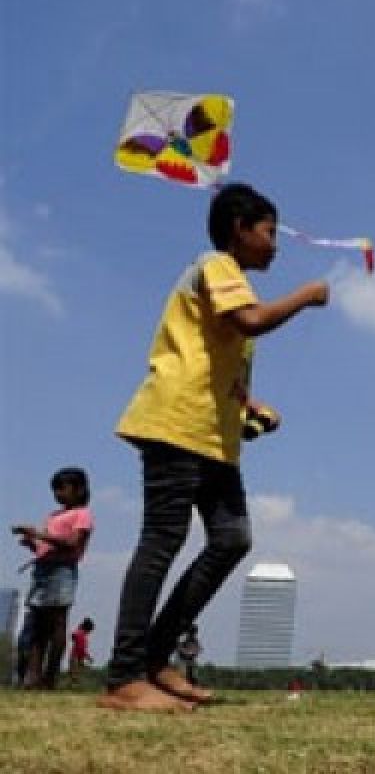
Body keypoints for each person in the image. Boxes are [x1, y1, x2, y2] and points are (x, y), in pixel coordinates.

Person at [100, 183, 329, 712]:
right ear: (239, 230)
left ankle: (156, 660)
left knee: (231, 538)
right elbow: (253, 320)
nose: (276, 244)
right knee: (162, 539)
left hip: (211, 436)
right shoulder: (218, 266)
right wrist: (307, 295)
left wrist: (251, 408)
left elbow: (220, 364)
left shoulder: (232, 283)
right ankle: (125, 675)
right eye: (270, 232)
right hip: (177, 423)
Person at [10, 467, 94, 689]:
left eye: (62, 489)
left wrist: (38, 534)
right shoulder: (53, 515)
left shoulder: (82, 514)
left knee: (57, 622)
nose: (58, 494)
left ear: (79, 490)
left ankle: (50, 676)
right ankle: (33, 677)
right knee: (38, 625)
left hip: (62, 571)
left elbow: (71, 542)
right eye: (55, 490)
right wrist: (32, 543)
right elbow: (46, 545)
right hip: (42, 570)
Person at [68, 617, 95, 685]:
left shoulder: (79, 634)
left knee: (74, 675)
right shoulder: (82, 636)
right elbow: (81, 649)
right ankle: (74, 686)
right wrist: (88, 657)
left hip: (75, 657)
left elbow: (73, 635)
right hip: (76, 658)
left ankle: (74, 685)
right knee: (75, 675)